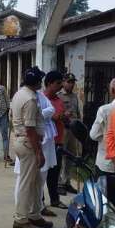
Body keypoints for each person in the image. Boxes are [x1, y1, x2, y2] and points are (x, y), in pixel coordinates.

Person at [11, 67, 53, 228]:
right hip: (28, 142)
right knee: (27, 183)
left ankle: (34, 214)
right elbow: (30, 128)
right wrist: (38, 152)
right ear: (36, 82)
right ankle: (21, 218)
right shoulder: (30, 99)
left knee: (35, 182)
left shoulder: (21, 93)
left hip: (24, 140)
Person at [89, 77, 115, 175]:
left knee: (104, 190)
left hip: (106, 163)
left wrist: (105, 137)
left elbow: (94, 135)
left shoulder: (105, 110)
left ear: (112, 90)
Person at [42, 71, 66, 210]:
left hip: (58, 141)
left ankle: (55, 200)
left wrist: (64, 117)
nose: (60, 86)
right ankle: (41, 202)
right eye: (58, 83)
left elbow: (60, 117)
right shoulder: (42, 99)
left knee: (54, 173)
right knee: (41, 174)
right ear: (49, 83)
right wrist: (54, 116)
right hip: (45, 142)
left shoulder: (59, 100)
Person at [58, 73, 82, 194]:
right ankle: (59, 183)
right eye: (69, 82)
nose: (71, 84)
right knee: (61, 156)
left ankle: (66, 181)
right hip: (63, 130)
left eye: (73, 82)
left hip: (73, 131)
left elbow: (77, 113)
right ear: (63, 82)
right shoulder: (59, 96)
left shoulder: (75, 96)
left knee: (71, 157)